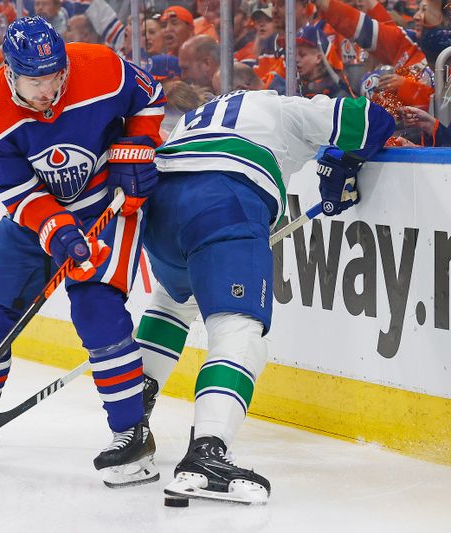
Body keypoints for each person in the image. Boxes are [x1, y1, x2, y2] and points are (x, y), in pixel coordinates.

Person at [0, 17, 166, 489]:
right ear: (9, 73)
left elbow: (150, 97)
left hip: (108, 202)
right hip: (37, 214)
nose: (49, 90)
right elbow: (18, 192)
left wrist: (138, 146)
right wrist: (57, 229)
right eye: (36, 81)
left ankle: (132, 433)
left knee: (97, 308)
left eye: (56, 77)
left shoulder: (101, 67)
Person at [135, 90, 395, 504]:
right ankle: (208, 452)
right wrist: (344, 161)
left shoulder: (198, 117)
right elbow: (372, 120)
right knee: (239, 329)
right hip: (225, 199)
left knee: (172, 302)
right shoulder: (287, 108)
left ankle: (131, 427)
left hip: (161, 207)